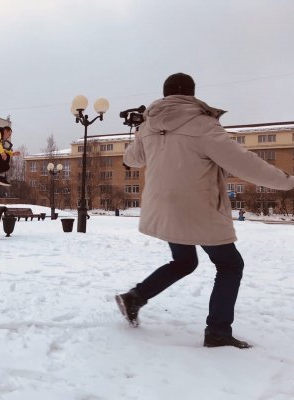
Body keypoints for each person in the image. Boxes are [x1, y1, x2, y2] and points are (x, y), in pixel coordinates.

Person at [115, 72, 294, 349]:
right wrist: (286, 182)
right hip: (198, 207)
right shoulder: (202, 124)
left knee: (184, 262)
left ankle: (134, 298)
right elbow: (242, 162)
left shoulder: (148, 125)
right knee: (230, 265)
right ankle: (218, 332)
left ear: (165, 95)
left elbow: (132, 159)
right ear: (191, 93)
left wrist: (137, 132)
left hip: (165, 206)